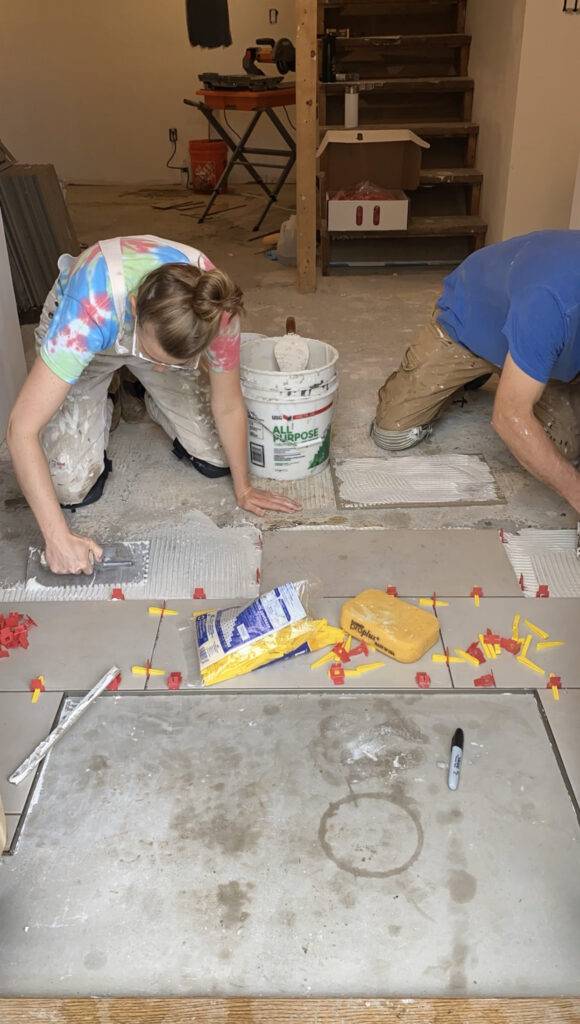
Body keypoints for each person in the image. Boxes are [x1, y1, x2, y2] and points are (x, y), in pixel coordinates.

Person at [7, 235, 299, 574]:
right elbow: (21, 428)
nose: (161, 369)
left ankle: (143, 390)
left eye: (174, 363)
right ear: (134, 306)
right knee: (68, 486)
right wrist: (56, 538)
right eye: (155, 360)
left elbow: (229, 404)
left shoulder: (216, 312)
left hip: (153, 333)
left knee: (218, 459)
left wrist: (244, 486)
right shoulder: (88, 310)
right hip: (95, 340)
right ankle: (108, 394)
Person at [372, 230, 580, 513]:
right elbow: (509, 418)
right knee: (392, 434)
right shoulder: (551, 304)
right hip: (472, 326)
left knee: (566, 451)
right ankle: (478, 371)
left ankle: (517, 371)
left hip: (537, 338)